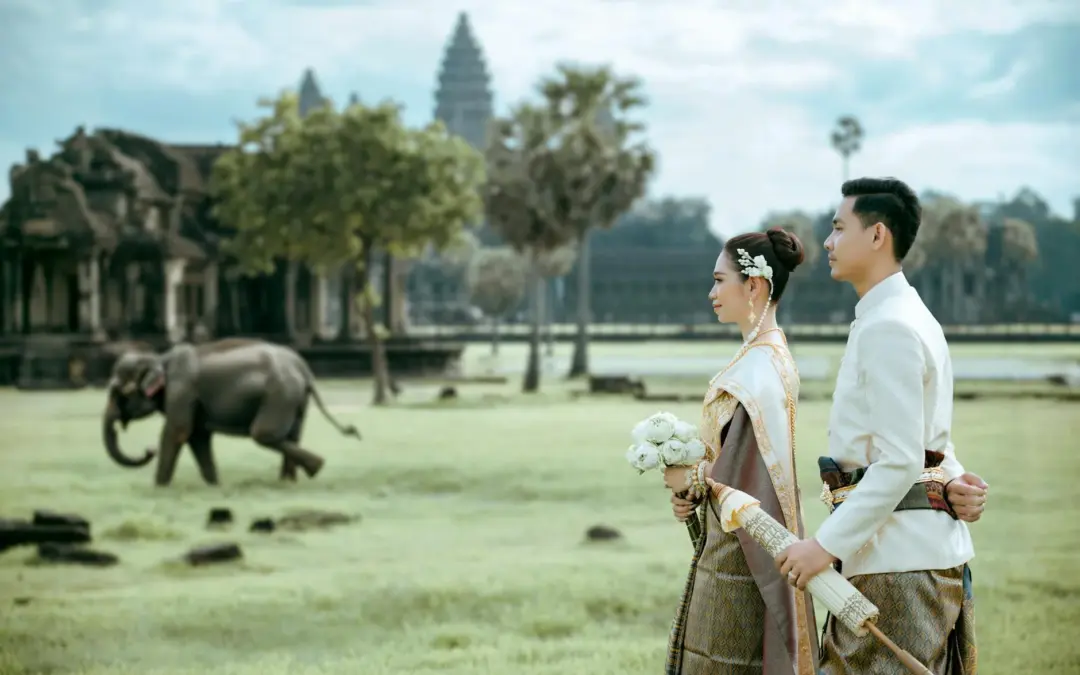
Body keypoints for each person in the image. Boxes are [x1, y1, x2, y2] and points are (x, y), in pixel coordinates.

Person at [775, 177, 989, 675]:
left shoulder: (890, 324)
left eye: (838, 227)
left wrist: (824, 546)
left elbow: (900, 460)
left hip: (898, 564)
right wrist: (952, 478)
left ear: (876, 235)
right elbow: (926, 440)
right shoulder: (904, 315)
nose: (828, 241)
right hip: (910, 555)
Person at [663, 227, 819, 675]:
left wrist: (690, 479)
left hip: (742, 550)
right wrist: (693, 489)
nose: (711, 292)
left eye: (719, 280)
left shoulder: (759, 370)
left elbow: (744, 473)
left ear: (754, 286)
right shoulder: (763, 358)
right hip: (734, 534)